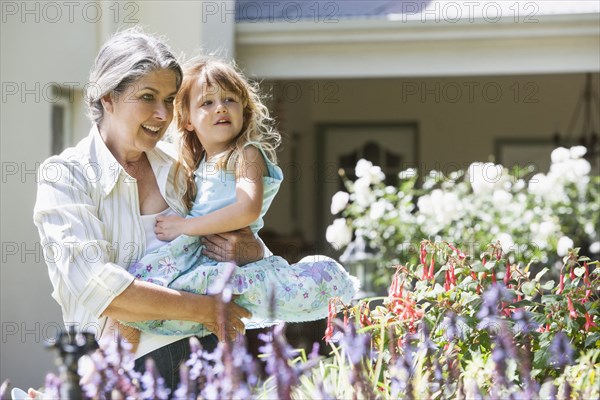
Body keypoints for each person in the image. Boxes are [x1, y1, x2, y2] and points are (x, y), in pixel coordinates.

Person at [32, 28, 260, 391]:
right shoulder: (66, 177)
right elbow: (102, 290)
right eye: (147, 97)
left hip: (208, 356)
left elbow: (237, 237)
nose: (162, 114)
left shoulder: (180, 167)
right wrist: (205, 309)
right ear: (108, 97)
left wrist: (248, 250)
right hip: (121, 377)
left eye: (170, 100)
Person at [117, 57, 359, 345]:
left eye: (230, 99)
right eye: (207, 103)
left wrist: (185, 226)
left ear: (243, 110)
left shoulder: (247, 154)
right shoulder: (197, 165)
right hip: (198, 258)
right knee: (134, 304)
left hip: (226, 259)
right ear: (187, 120)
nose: (220, 107)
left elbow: (247, 209)